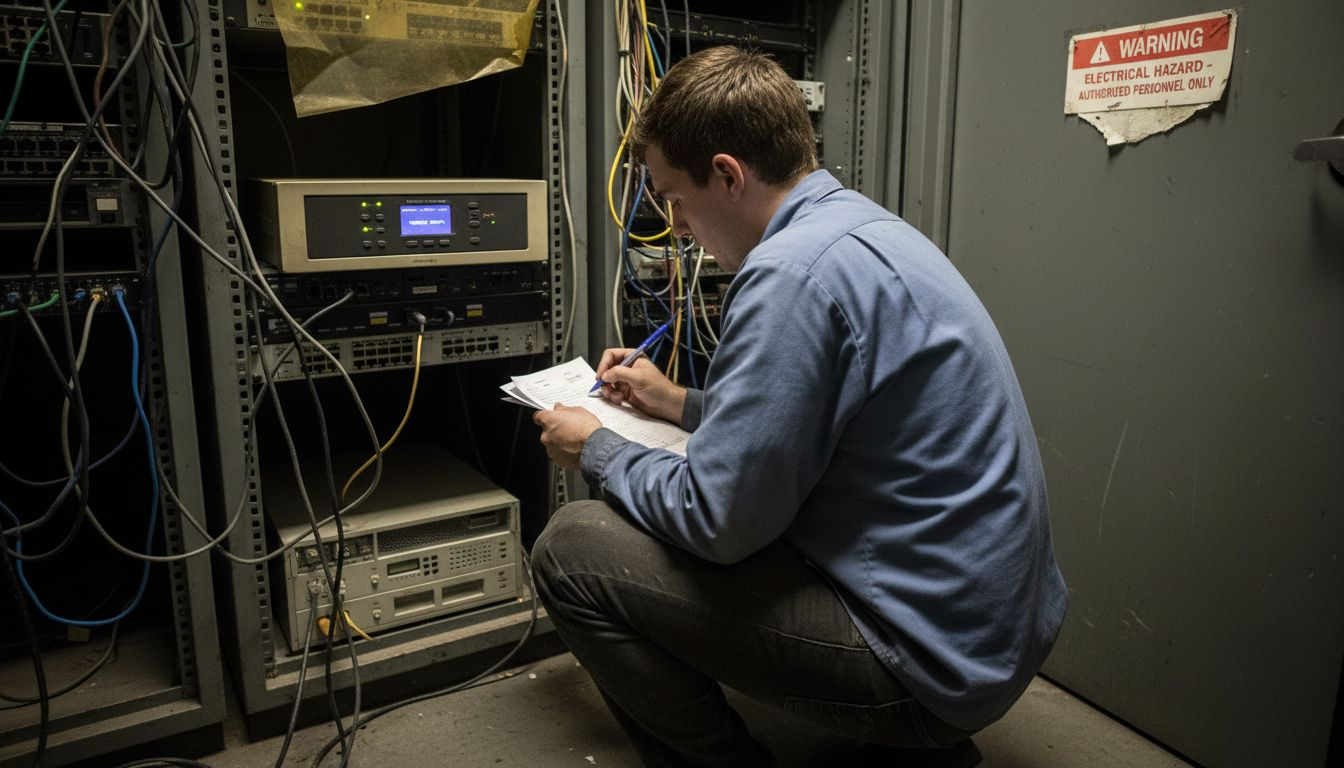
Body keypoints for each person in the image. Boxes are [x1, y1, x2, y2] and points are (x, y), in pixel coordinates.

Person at [530, 45, 1067, 768]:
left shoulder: (788, 276)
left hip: (926, 665)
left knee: (572, 548)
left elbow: (718, 522)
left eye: (674, 200)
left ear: (727, 174)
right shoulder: (858, 228)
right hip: (992, 635)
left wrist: (596, 445)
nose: (678, 228)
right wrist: (673, 402)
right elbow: (811, 420)